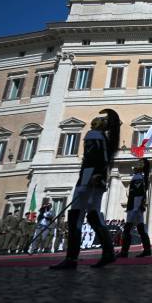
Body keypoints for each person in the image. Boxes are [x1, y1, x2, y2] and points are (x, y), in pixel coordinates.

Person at [50, 109, 121, 270]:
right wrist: (98, 176)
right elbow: (101, 160)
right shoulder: (105, 138)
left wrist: (86, 181)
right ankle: (108, 252)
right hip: (99, 180)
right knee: (94, 215)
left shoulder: (93, 135)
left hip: (89, 180)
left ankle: (71, 258)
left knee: (76, 216)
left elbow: (90, 159)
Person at [118, 158, 152, 258]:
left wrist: (135, 208)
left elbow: (138, 194)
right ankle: (147, 249)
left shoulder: (137, 178)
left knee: (127, 229)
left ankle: (124, 252)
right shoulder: (141, 177)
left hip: (134, 207)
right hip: (137, 207)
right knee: (141, 229)